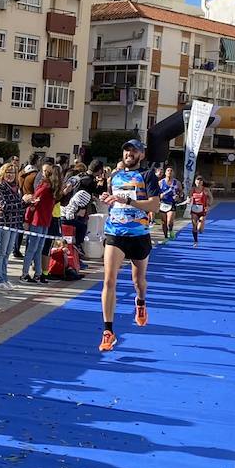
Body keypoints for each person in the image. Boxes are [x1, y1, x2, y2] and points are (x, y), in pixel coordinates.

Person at [97, 139, 160, 350]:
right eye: (126, 150)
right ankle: (108, 331)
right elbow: (111, 199)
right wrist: (107, 198)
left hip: (139, 234)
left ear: (141, 154)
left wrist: (129, 202)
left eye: (133, 151)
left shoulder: (147, 175)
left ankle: (140, 302)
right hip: (115, 232)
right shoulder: (114, 176)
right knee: (108, 281)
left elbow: (155, 205)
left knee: (138, 281)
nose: (128, 153)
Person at [21, 164, 56, 284]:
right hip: (37, 220)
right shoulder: (45, 186)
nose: (46, 174)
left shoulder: (50, 187)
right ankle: (25, 273)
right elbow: (33, 203)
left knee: (38, 248)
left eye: (49, 172)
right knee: (32, 248)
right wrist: (26, 219)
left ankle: (38, 273)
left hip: (45, 221)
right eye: (45, 171)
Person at [0, 163, 22, 291]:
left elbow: (19, 206)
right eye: (8, 172)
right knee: (0, 252)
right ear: (2, 173)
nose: (10, 175)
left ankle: (4, 278)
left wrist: (26, 203)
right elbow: (4, 206)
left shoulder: (15, 188)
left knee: (7, 253)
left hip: (14, 224)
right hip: (3, 224)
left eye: (13, 172)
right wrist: (23, 202)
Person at [158, 165, 182, 240]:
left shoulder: (177, 183)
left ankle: (171, 230)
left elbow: (181, 193)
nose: (170, 172)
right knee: (164, 222)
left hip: (172, 204)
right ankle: (165, 237)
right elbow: (155, 193)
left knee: (169, 221)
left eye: (171, 171)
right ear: (165, 173)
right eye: (168, 171)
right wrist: (160, 195)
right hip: (162, 204)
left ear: (173, 173)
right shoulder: (160, 182)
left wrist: (179, 196)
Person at [188, 175, 212, 246]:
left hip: (202, 209)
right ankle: (195, 241)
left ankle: (202, 226)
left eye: (200, 180)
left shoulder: (205, 189)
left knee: (200, 229)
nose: (199, 181)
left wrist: (208, 205)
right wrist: (188, 200)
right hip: (194, 209)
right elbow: (189, 197)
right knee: (194, 226)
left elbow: (211, 198)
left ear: (202, 182)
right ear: (195, 182)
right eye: (197, 180)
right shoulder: (192, 189)